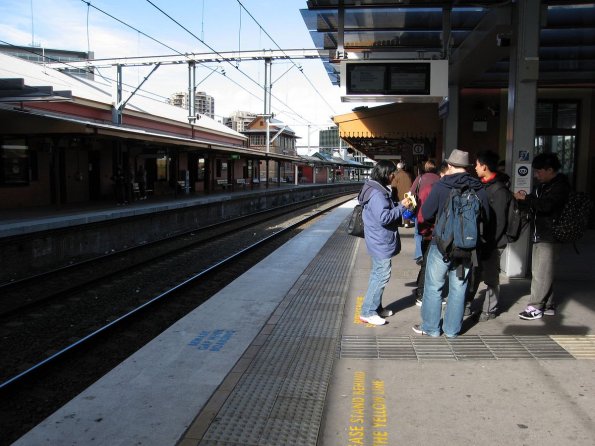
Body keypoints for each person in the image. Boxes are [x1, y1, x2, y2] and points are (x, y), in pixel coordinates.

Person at [411, 149, 490, 337]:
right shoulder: (478, 187)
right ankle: (452, 330)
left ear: (450, 166)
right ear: (467, 167)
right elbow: (486, 217)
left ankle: (430, 328)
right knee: (459, 287)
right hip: (467, 247)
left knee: (433, 286)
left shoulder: (441, 185)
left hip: (442, 245)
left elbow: (427, 214)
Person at [514, 152, 570, 320]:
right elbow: (536, 203)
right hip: (541, 233)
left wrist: (526, 200)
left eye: (539, 171)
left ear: (550, 170)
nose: (536, 175)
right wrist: (524, 200)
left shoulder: (560, 186)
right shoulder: (544, 186)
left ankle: (535, 306)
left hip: (550, 236)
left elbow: (546, 206)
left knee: (540, 272)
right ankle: (549, 304)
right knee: (545, 271)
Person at [358, 160, 408, 326]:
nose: (394, 177)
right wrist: (402, 206)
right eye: (392, 173)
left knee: (377, 275)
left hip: (376, 238)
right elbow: (384, 217)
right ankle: (368, 312)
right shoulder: (378, 194)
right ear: (386, 174)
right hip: (380, 240)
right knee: (381, 276)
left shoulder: (372, 189)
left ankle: (376, 307)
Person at [465, 150, 512, 321]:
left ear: (484, 166)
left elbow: (499, 223)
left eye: (477, 164)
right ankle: (467, 305)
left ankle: (489, 310)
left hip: (492, 243)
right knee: (473, 274)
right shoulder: (482, 185)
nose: (475, 168)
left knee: (491, 278)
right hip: (479, 241)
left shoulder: (499, 190)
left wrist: (489, 243)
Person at [408, 160, 440, 305]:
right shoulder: (439, 179)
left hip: (420, 214)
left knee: (418, 236)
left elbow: (410, 194)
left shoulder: (420, 178)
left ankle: (418, 255)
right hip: (435, 221)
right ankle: (423, 286)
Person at [391, 162, 414, 227]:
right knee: (407, 208)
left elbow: (393, 187)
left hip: (399, 195)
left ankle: (399, 223)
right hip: (408, 195)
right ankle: (407, 223)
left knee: (399, 208)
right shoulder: (409, 175)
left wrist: (393, 196)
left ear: (397, 168)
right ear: (403, 168)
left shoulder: (396, 175)